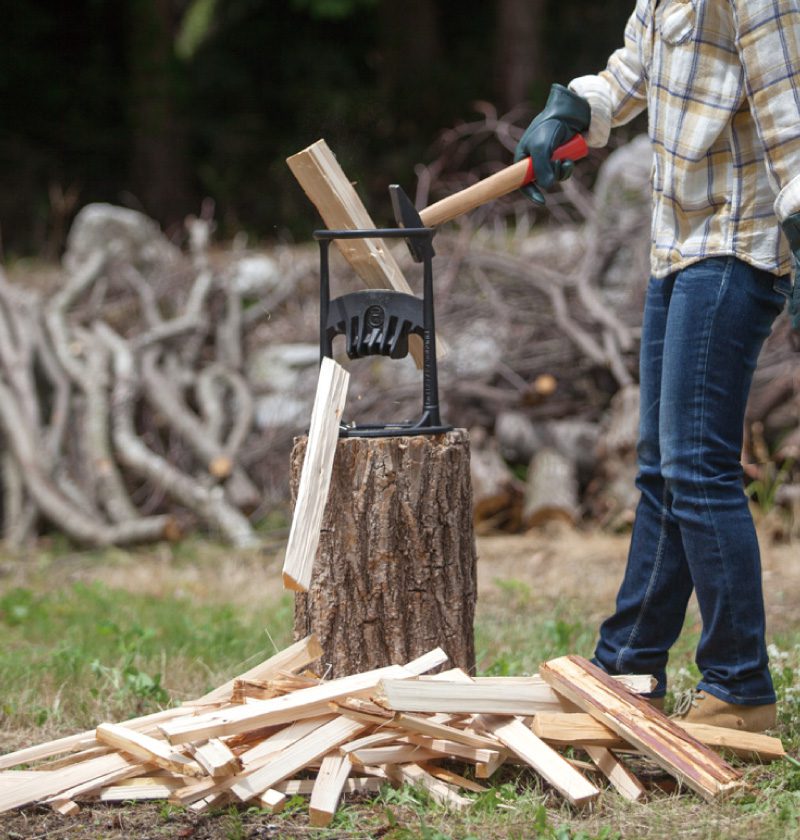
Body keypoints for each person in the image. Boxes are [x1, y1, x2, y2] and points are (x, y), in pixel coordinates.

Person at [515, 0, 800, 732]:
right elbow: (634, 68)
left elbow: (790, 110)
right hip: (678, 243)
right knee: (662, 466)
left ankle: (740, 688)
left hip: (736, 244)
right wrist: (579, 109)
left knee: (698, 467)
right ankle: (630, 664)